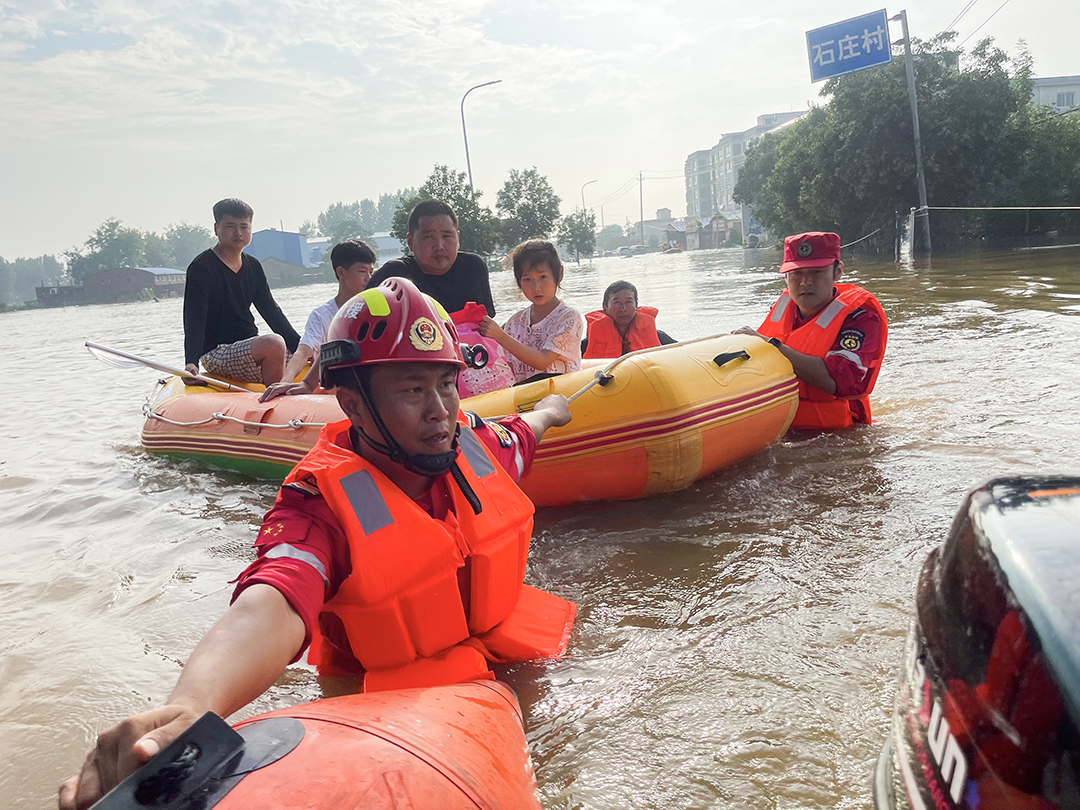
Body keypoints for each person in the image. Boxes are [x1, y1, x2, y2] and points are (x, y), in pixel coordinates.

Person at [59, 278, 576, 810]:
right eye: (412, 389)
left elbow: (525, 429)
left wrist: (553, 410)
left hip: (495, 667)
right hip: (392, 712)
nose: (439, 410)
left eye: (446, 384)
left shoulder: (473, 443)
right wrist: (193, 704)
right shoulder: (319, 505)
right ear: (352, 403)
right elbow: (274, 597)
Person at [734, 231, 887, 430]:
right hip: (783, 423)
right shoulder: (784, 306)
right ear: (786, 277)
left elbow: (838, 381)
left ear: (838, 272)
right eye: (797, 273)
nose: (805, 282)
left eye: (817, 272)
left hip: (839, 435)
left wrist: (771, 346)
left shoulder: (861, 316)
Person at [182, 198, 301, 385]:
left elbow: (271, 311)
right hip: (217, 352)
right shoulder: (201, 267)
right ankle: (276, 400)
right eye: (231, 227)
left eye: (244, 227)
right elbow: (194, 318)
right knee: (274, 343)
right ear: (216, 228)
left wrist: (301, 347)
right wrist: (191, 362)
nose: (238, 233)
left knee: (315, 352)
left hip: (249, 346)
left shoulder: (253, 265)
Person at [258, 240, 375, 401]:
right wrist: (286, 381)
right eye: (362, 271)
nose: (369, 278)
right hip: (334, 389)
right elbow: (303, 352)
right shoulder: (322, 316)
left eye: (371, 272)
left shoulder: (375, 311)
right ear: (341, 273)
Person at [478, 239, 582, 384]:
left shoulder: (569, 318)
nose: (536, 287)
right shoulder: (515, 321)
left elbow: (543, 361)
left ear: (559, 274)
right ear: (518, 281)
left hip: (560, 396)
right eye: (527, 279)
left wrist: (499, 336)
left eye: (543, 277)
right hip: (523, 397)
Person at [366, 200, 495, 316]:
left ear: (457, 238)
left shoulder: (473, 267)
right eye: (428, 237)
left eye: (446, 236)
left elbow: (487, 326)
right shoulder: (394, 276)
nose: (439, 246)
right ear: (410, 242)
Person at [581, 280, 677, 358]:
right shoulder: (588, 344)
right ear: (605, 307)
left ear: (636, 306)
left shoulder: (659, 337)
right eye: (617, 303)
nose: (623, 309)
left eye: (628, 302)